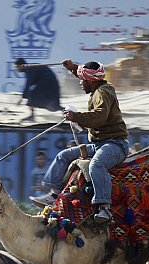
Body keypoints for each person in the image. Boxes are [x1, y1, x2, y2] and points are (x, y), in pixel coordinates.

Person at [29, 59, 129, 224]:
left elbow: (99, 117)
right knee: (64, 155)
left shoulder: (103, 93)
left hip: (115, 145)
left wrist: (75, 117)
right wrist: (73, 69)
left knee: (96, 165)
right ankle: (54, 194)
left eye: (83, 80)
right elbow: (88, 80)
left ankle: (104, 208)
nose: (81, 83)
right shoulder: (97, 89)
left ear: (91, 80)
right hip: (99, 144)